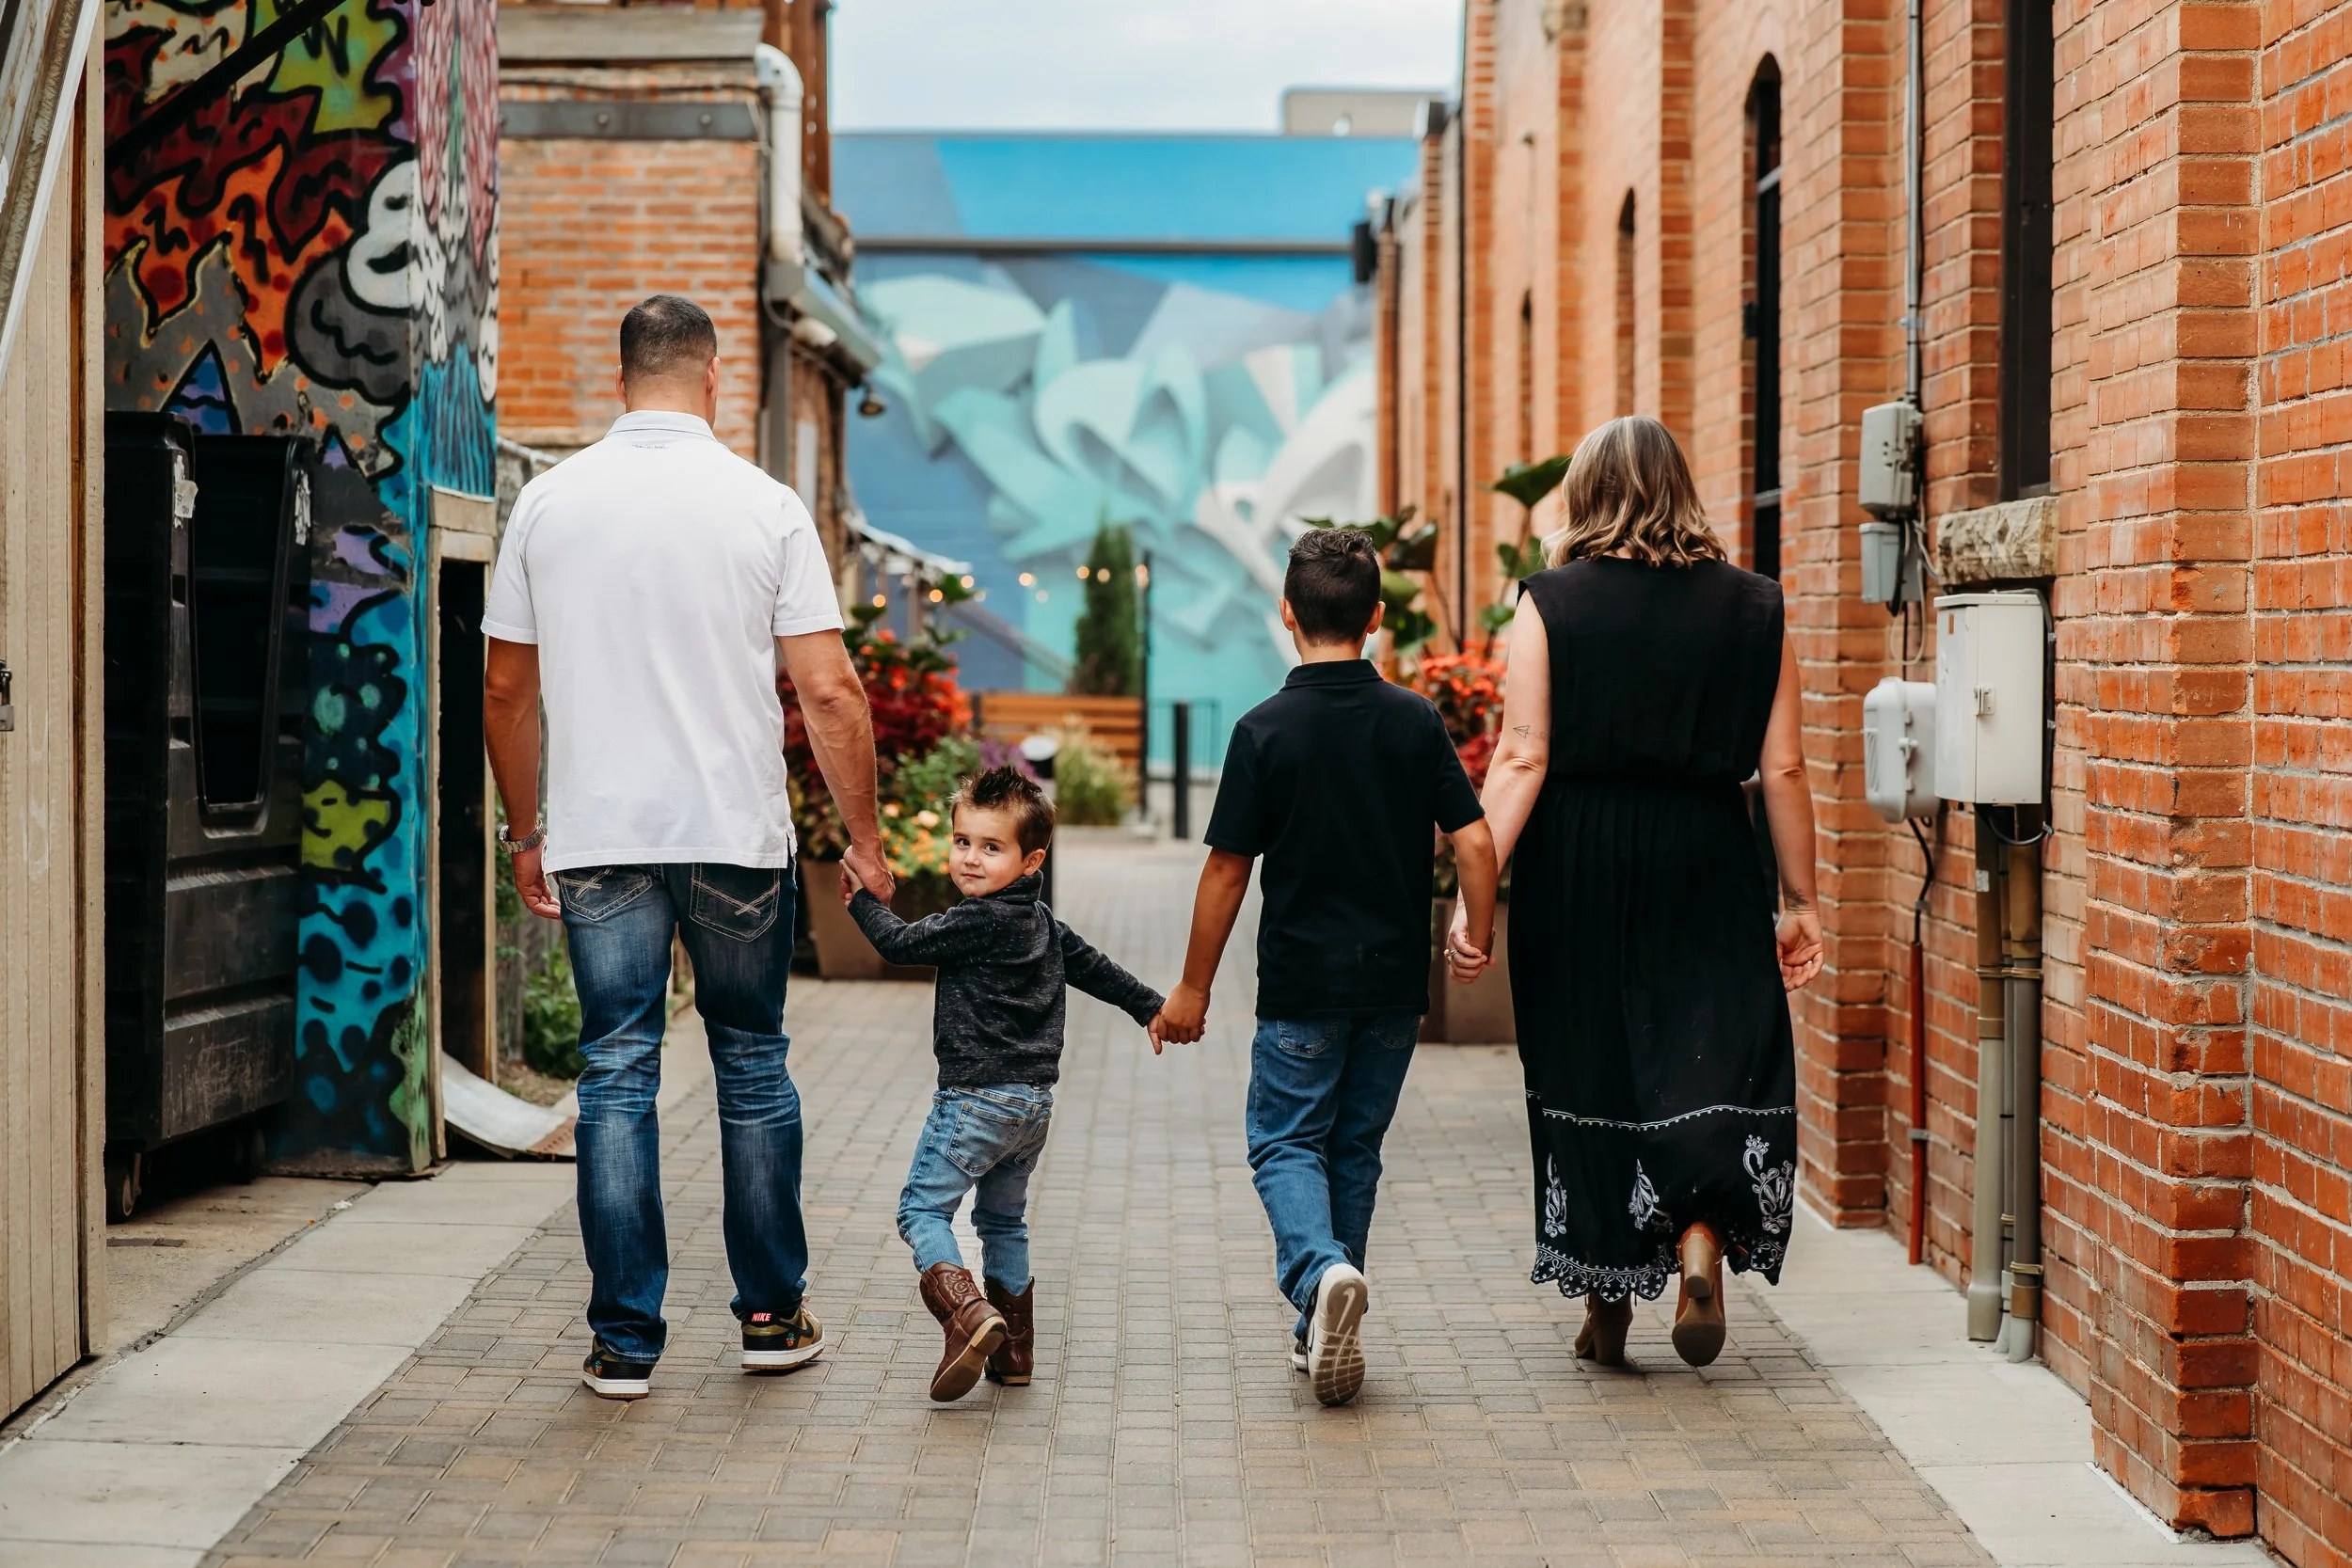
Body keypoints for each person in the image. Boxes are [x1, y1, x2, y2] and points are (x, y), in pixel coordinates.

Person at [482, 294, 894, 1401]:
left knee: (616, 1069)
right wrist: (862, 840)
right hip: (732, 835)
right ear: (713, 379)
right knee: (751, 1060)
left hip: (601, 833)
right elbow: (830, 691)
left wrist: (527, 833)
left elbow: (505, 687)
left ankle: (625, 1340)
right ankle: (769, 1314)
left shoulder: (548, 505)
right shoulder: (762, 506)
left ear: (621, 378)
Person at [1447, 414, 1822, 1370]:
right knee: (1703, 1048)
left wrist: (1473, 891)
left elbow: (1524, 753)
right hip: (1707, 843)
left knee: (1591, 1061)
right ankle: (1700, 1233)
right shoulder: (1755, 605)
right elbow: (1781, 768)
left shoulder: (1550, 602)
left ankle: (1607, 1303)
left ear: (1585, 495)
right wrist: (1798, 897)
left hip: (1580, 856)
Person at [1156, 528, 1500, 1407]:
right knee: (1352, 1147)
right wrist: (1475, 930)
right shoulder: (1415, 719)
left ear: (1286, 614)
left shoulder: (1263, 730)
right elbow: (1473, 838)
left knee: (1282, 1141)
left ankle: (1318, 1275)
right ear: (1377, 619)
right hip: (1393, 987)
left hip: (1303, 985)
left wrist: (1193, 987)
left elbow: (1228, 870)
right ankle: (1321, 1323)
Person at [846, 766, 1168, 1402]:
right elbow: (1097, 969)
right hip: (1033, 1106)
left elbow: (902, 943)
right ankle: (1014, 1354)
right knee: (1003, 1221)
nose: (970, 858)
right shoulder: (1043, 922)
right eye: (963, 841)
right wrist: (1151, 1006)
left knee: (921, 1209)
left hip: (974, 1099)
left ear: (1030, 860)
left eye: (991, 848)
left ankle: (968, 1314)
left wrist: (860, 899)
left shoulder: (979, 920)